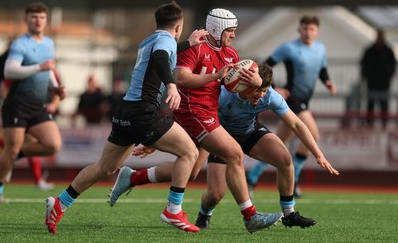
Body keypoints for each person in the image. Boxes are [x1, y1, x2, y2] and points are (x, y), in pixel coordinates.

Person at [110, 8, 284, 234]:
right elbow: (181, 79)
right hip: (194, 111)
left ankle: (132, 177)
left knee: (190, 170)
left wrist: (255, 82)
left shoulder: (231, 54)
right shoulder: (195, 47)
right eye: (230, 30)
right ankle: (250, 216)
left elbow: (235, 88)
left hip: (208, 112)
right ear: (217, 28)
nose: (233, 35)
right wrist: (215, 76)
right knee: (234, 153)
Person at [45, 1, 209, 234]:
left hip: (126, 111)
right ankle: (173, 209)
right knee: (190, 152)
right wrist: (171, 85)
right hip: (144, 112)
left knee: (105, 167)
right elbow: (163, 56)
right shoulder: (164, 43)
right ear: (178, 26)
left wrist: (188, 44)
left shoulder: (148, 41)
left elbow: (164, 52)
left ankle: (60, 202)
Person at [111, 63, 339, 229]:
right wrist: (157, 143)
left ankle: (289, 214)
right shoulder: (222, 94)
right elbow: (191, 115)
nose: (260, 95)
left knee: (285, 159)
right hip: (216, 134)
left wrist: (318, 154)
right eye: (256, 89)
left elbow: (297, 124)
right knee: (206, 187)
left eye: (263, 89)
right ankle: (135, 179)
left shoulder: (270, 96)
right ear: (243, 83)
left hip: (248, 132)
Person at [247, 15, 337, 198]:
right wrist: (274, 87)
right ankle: (294, 178)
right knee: (312, 133)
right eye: (304, 28)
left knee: (281, 141)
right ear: (299, 30)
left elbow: (321, 69)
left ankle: (252, 176)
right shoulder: (289, 48)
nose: (308, 32)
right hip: (292, 99)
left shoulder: (320, 49)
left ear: (317, 32)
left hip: (305, 101)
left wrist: (327, 82)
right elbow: (264, 67)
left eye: (311, 29)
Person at [0, 2, 66, 203]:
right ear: (26, 19)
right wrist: (38, 67)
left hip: (37, 106)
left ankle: (16, 154)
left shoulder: (49, 44)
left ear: (46, 20)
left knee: (52, 145)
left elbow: (49, 69)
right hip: (16, 104)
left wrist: (54, 87)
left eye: (42, 17)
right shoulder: (20, 44)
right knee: (10, 149)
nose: (38, 21)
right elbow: (10, 71)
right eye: (34, 17)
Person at [360, 29, 396, 129]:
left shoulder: (388, 51)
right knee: (370, 106)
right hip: (371, 84)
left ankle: (384, 124)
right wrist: (366, 76)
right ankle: (369, 124)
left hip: (384, 84)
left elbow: (392, 66)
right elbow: (364, 65)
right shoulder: (369, 51)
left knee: (384, 106)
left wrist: (387, 75)